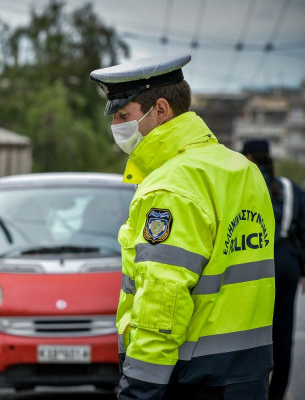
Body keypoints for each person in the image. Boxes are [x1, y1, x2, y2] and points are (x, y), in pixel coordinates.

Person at [89, 54, 276, 399]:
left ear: (160, 110)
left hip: (192, 378)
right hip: (248, 374)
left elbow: (162, 303)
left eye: (123, 115)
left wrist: (138, 390)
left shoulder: (171, 186)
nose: (116, 126)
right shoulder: (242, 171)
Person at [241, 139, 305, 400]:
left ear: (247, 158)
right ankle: (276, 394)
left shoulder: (243, 186)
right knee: (283, 333)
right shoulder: (290, 189)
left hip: (251, 264)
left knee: (245, 332)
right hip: (286, 265)